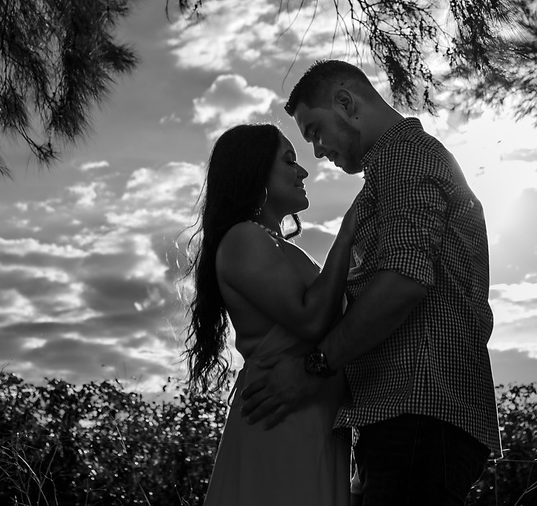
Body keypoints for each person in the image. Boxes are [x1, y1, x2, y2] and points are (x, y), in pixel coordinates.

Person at [241, 60, 502, 505]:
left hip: (420, 412)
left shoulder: (404, 157)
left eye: (315, 132)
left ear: (346, 102)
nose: (318, 152)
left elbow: (403, 280)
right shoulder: (391, 170)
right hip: (409, 416)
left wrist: (312, 370)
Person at [185, 122, 357, 505]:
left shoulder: (281, 246)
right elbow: (310, 319)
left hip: (314, 425)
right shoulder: (243, 239)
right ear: (255, 170)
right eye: (290, 161)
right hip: (282, 423)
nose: (303, 171)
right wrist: (347, 235)